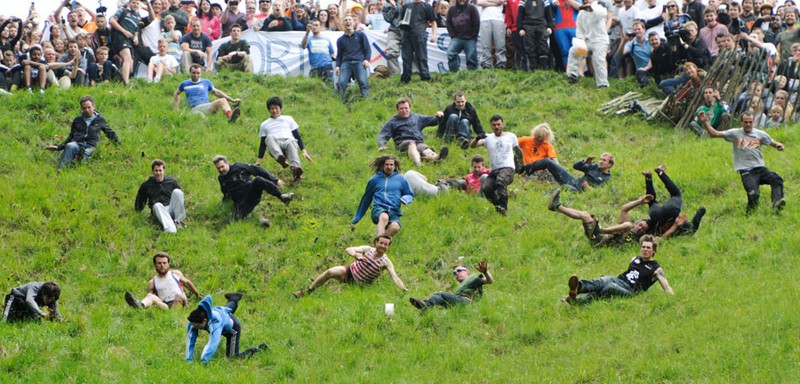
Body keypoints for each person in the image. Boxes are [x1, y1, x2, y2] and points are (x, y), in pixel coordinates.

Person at [699, 110, 786, 214]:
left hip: (760, 168)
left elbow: (771, 142)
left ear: (753, 122)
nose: (748, 125)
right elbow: (715, 134)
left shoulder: (759, 134)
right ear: (741, 122)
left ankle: (777, 204)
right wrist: (705, 122)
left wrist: (778, 145)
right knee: (753, 195)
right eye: (746, 122)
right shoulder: (735, 133)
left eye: (750, 122)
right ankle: (750, 216)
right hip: (746, 171)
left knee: (776, 179)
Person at [565, 235, 674, 304]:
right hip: (619, 281)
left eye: (648, 248)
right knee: (605, 279)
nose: (645, 249)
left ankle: (578, 301)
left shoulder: (656, 269)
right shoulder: (635, 259)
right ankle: (578, 287)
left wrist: (673, 301)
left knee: (609, 287)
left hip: (630, 291)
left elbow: (666, 286)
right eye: (643, 247)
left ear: (653, 251)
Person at [293, 235, 408, 297]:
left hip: (360, 285)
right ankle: (308, 291)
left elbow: (395, 277)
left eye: (386, 244)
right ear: (376, 243)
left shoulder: (386, 262)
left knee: (344, 296)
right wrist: (356, 255)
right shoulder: (368, 249)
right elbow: (349, 249)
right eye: (381, 243)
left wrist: (403, 288)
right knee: (329, 273)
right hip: (348, 272)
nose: (383, 246)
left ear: (388, 247)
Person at [186, 293, 268, 364]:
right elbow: (190, 340)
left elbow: (212, 343)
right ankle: (234, 298)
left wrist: (204, 361)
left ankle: (259, 349)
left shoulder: (215, 324)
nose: (195, 327)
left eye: (197, 326)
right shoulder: (194, 320)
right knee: (227, 311)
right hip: (222, 312)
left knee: (232, 359)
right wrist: (188, 359)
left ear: (204, 320)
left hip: (232, 329)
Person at [46, 95, 120, 171]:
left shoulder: (100, 120)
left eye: (89, 107)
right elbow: (71, 135)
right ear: (81, 109)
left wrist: (118, 145)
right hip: (77, 142)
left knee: (86, 153)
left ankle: (78, 160)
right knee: (70, 146)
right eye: (84, 108)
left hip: (91, 145)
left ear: (93, 106)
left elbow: (110, 133)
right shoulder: (77, 120)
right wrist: (59, 147)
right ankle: (61, 169)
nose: (87, 110)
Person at [213, 155, 294, 222]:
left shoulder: (239, 167)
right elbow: (226, 194)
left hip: (251, 195)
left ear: (227, 163)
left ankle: (282, 197)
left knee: (258, 180)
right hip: (241, 203)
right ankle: (260, 221)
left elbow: (257, 169)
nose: (221, 169)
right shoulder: (221, 179)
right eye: (218, 168)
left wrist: (275, 180)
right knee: (232, 220)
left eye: (222, 166)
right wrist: (224, 205)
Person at [470, 114, 520, 215]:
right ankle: (498, 206)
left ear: (503, 124)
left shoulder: (511, 136)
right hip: (494, 170)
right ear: (491, 126)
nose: (496, 127)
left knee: (501, 182)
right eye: (494, 125)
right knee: (487, 188)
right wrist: (477, 138)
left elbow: (518, 151)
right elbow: (472, 146)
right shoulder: (488, 137)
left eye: (498, 124)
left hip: (507, 168)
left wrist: (521, 165)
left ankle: (504, 208)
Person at [352, 155, 414, 236]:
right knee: (384, 217)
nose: (389, 167)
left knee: (395, 227)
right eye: (387, 164)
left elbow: (409, 194)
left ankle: (379, 244)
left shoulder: (401, 179)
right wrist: (357, 218)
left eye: (391, 165)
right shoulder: (374, 180)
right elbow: (366, 199)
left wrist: (405, 199)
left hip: (394, 211)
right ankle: (378, 244)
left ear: (395, 166)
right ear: (382, 165)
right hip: (379, 209)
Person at [256, 96, 313, 182]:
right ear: (269, 110)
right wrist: (258, 162)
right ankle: (280, 157)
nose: (274, 111)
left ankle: (296, 170)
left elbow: (297, 136)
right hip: (275, 146)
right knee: (269, 137)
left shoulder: (288, 119)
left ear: (280, 108)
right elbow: (263, 144)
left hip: (288, 143)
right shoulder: (264, 124)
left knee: (291, 141)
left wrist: (304, 151)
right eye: (272, 109)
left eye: (276, 108)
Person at [378, 98, 448, 167]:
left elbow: (433, 121)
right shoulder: (392, 122)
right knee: (411, 144)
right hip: (403, 144)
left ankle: (437, 158)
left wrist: (439, 116)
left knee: (426, 150)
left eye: (406, 108)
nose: (404, 110)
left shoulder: (417, 117)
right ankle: (418, 164)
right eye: (401, 108)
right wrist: (382, 145)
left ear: (410, 108)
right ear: (397, 110)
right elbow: (383, 134)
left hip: (418, 142)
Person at [124, 252, 201, 310]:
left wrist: (197, 294)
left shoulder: (175, 273)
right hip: (166, 305)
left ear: (168, 264)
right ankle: (140, 305)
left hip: (180, 300)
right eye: (159, 263)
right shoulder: (152, 282)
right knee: (150, 296)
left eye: (164, 263)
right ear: (155, 265)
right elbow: (151, 301)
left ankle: (174, 315)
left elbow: (187, 283)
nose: (162, 265)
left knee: (179, 296)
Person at [409, 261, 493, 310]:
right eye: (454, 273)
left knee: (440, 295)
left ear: (467, 271)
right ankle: (425, 307)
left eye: (459, 270)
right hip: (460, 302)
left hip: (467, 301)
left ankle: (426, 304)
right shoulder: (461, 287)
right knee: (439, 298)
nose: (457, 273)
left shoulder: (473, 278)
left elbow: (490, 281)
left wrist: (485, 272)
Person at [173, 64, 241, 123]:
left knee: (222, 100)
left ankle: (230, 117)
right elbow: (177, 93)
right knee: (201, 117)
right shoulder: (184, 84)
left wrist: (232, 100)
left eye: (198, 73)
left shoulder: (206, 82)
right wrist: (176, 108)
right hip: (194, 108)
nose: (196, 75)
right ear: (190, 73)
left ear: (201, 73)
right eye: (194, 73)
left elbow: (216, 92)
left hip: (206, 106)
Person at [135, 159, 186, 233]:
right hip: (158, 210)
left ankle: (178, 222)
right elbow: (139, 203)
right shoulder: (146, 185)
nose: (158, 173)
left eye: (160, 170)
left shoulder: (172, 182)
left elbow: (180, 199)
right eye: (156, 171)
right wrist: (137, 211)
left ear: (164, 170)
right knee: (157, 205)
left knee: (177, 192)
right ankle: (170, 229)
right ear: (153, 171)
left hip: (170, 208)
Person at [566, 0, 609, 87]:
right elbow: (579, 28)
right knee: (573, 51)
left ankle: (602, 84)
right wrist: (580, 41)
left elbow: (603, 13)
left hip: (599, 41)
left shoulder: (599, 7)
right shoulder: (581, 13)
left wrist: (591, 8)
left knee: (598, 60)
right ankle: (572, 75)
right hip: (587, 42)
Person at [523, 153, 613, 192]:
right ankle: (526, 169)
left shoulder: (607, 178)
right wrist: (584, 162)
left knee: (565, 187)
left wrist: (587, 187)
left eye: (604, 160)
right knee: (548, 162)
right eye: (601, 159)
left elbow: (598, 193)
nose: (601, 161)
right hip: (572, 180)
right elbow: (576, 167)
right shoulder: (594, 166)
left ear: (609, 165)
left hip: (578, 191)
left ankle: (544, 197)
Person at [335, 15, 371, 102]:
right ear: (343, 23)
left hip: (359, 61)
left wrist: (366, 60)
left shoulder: (361, 35)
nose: (348, 21)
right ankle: (340, 103)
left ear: (353, 22)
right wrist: (337, 66)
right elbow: (339, 55)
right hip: (346, 63)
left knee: (363, 82)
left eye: (349, 20)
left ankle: (367, 102)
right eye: (345, 20)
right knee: (341, 83)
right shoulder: (340, 40)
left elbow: (367, 49)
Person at [399, 0, 437, 83]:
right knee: (406, 58)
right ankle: (406, 78)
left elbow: (433, 21)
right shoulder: (406, 6)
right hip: (406, 35)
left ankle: (425, 77)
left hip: (420, 34)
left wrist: (434, 34)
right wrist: (401, 23)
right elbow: (401, 20)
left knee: (422, 57)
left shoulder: (426, 6)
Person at [108, 0, 141, 85]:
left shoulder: (137, 16)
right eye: (134, 2)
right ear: (129, 3)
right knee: (127, 58)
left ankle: (118, 78)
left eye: (137, 3)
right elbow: (112, 21)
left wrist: (136, 37)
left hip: (129, 41)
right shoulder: (123, 10)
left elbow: (136, 30)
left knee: (130, 67)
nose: (135, 5)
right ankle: (126, 82)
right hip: (119, 37)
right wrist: (124, 31)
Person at [517, 0, 555, 71]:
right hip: (528, 26)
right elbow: (520, 15)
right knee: (530, 48)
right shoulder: (523, 1)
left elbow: (549, 14)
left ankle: (543, 69)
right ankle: (533, 69)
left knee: (543, 47)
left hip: (542, 25)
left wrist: (550, 27)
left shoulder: (545, 1)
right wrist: (520, 28)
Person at [445, 0, 481, 72]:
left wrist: (473, 37)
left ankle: (472, 75)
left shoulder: (472, 8)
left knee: (471, 58)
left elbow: (477, 23)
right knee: (451, 53)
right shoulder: (452, 10)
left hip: (470, 39)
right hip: (456, 38)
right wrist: (452, 35)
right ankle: (454, 73)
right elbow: (448, 23)